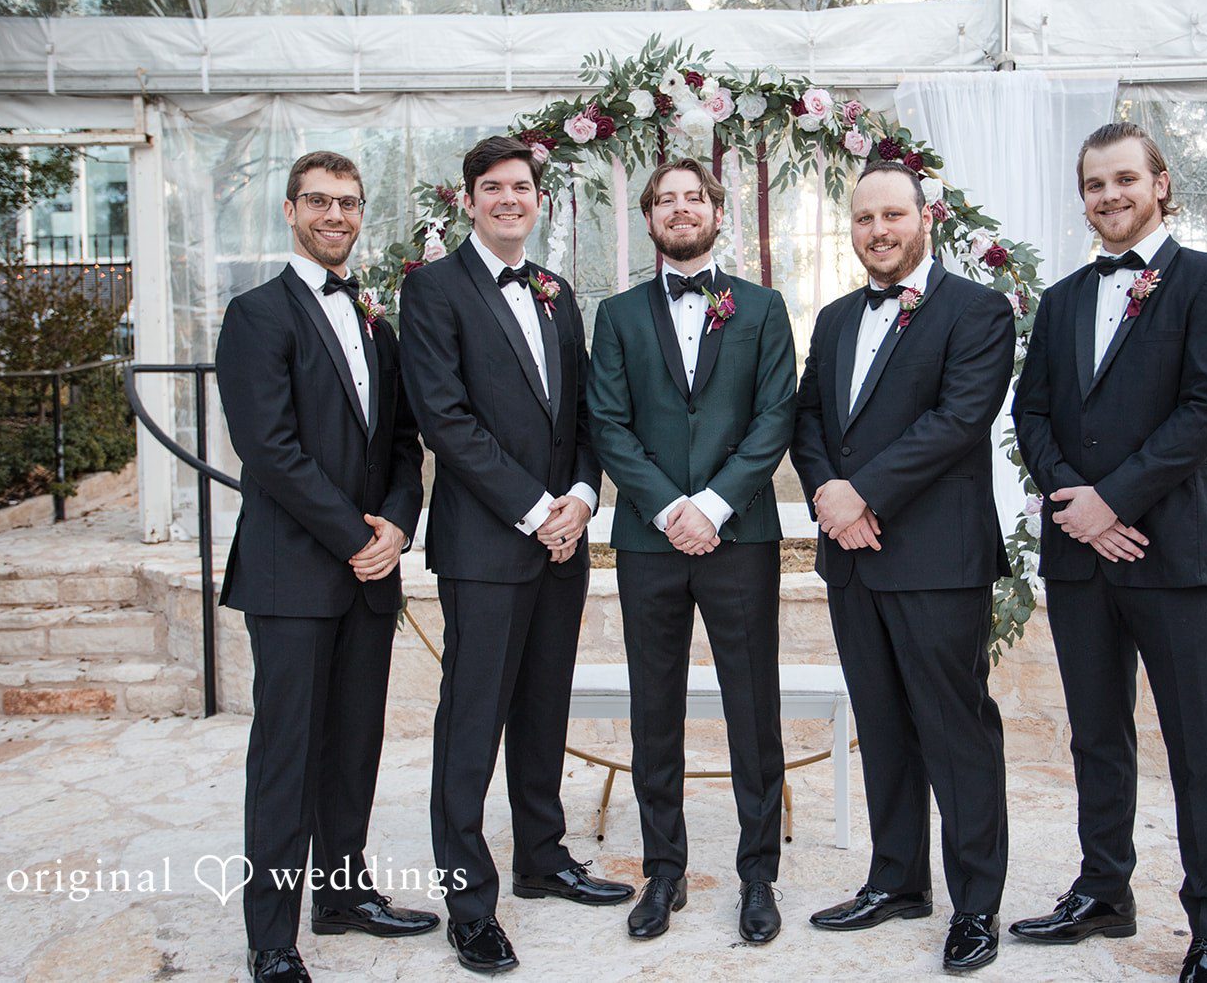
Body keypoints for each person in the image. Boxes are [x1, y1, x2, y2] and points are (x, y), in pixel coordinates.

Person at [1009, 121, 1207, 983]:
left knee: (1199, 746)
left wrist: (1116, 499)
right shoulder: (1062, 298)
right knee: (1097, 737)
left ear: (1160, 183)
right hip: (1081, 556)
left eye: (1122, 179)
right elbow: (1030, 412)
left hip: (1174, 552)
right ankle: (1103, 890)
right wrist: (1077, 503)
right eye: (1092, 184)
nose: (1107, 196)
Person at [398, 135, 632, 974]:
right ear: (468, 200)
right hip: (485, 544)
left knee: (543, 709)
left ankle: (543, 856)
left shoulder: (557, 291)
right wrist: (536, 508)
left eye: (521, 187)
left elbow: (580, 415)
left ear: (538, 200)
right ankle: (469, 902)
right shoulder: (429, 291)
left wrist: (581, 496)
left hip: (561, 543)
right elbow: (444, 419)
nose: (508, 199)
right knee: (472, 723)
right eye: (491, 187)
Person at [217, 150, 437, 983]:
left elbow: (404, 443)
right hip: (292, 574)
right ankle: (271, 935)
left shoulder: (377, 322)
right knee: (287, 755)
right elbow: (268, 449)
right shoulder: (256, 315)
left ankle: (343, 895)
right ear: (289, 210)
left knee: (353, 744)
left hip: (370, 571)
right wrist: (355, 533)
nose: (336, 216)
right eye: (319, 201)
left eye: (348, 202)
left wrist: (398, 528)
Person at [791, 160, 1015, 972]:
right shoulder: (837, 316)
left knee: (955, 731)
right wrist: (827, 495)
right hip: (852, 558)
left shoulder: (979, 311)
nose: (878, 231)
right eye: (863, 219)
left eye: (892, 215)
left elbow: (959, 419)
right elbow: (808, 416)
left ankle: (977, 904)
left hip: (936, 560)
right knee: (882, 726)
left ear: (928, 217)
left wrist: (864, 494)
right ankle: (896, 880)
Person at [587, 157, 797, 944]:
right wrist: (670, 507)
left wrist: (711, 504)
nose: (680, 210)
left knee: (754, 709)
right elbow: (608, 422)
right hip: (649, 538)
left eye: (693, 198)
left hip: (739, 535)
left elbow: (776, 416)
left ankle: (757, 873)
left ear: (718, 211)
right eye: (664, 201)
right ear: (648, 220)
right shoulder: (617, 314)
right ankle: (662, 869)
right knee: (654, 710)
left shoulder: (764, 307)